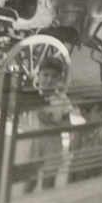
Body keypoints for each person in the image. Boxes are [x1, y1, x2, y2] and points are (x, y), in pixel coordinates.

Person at [23, 56, 81, 192]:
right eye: (45, 75)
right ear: (38, 75)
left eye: (54, 76)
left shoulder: (61, 99)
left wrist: (55, 123)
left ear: (59, 79)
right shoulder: (32, 96)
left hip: (53, 145)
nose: (49, 80)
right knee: (29, 181)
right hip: (33, 143)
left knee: (48, 183)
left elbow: (68, 125)